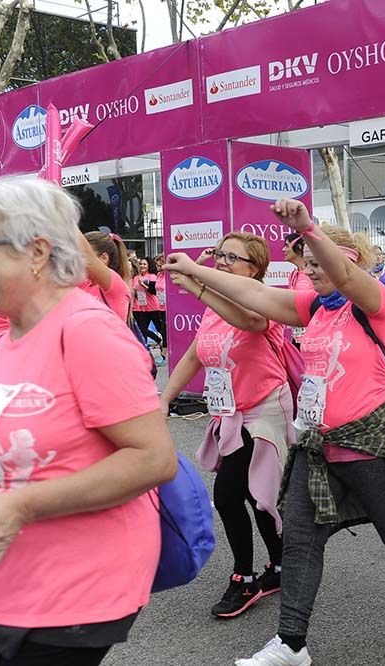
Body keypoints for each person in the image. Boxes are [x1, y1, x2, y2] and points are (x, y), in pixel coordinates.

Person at [165, 199, 385, 666]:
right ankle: (291, 644)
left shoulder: (375, 303)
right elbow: (254, 296)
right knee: (299, 540)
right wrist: (198, 272)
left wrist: (311, 229)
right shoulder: (314, 307)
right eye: (306, 264)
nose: (309, 271)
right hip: (319, 446)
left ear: (346, 261)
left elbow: (351, 278)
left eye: (318, 264)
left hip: (372, 444)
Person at [0, 176, 177, 665]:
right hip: (2, 587)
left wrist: (20, 507)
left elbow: (153, 459)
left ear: (36, 252)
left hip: (69, 594)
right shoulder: (10, 334)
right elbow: (1, 452)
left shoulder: (87, 330)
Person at [161, 232, 294, 618]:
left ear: (255, 270)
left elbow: (251, 321)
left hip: (263, 410)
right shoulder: (212, 306)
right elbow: (194, 355)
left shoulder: (264, 300)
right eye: (219, 255)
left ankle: (245, 577)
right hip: (229, 412)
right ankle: (280, 566)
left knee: (233, 494)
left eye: (231, 258)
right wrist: (164, 399)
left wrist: (200, 286)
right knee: (252, 496)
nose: (221, 262)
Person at [80, 231, 132, 322]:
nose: (78, 261)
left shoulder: (116, 285)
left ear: (104, 258)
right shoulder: (84, 285)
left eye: (83, 256)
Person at [132, 258, 163, 351]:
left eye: (145, 264)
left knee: (160, 329)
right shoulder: (136, 277)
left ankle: (166, 344)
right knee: (142, 329)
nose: (142, 266)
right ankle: (149, 348)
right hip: (142, 307)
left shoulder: (152, 276)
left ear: (149, 265)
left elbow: (153, 291)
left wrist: (144, 285)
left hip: (154, 307)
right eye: (141, 264)